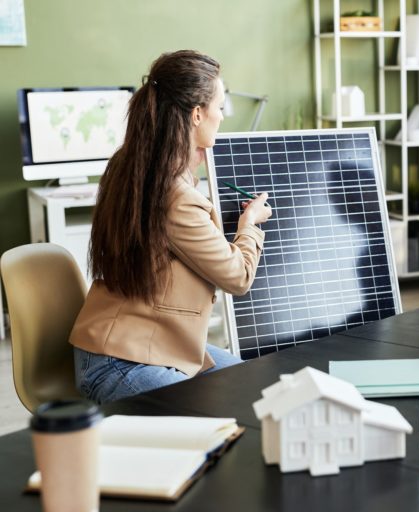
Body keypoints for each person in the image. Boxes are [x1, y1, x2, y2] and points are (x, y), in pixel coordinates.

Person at [70, 50, 272, 404]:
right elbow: (237, 277)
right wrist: (249, 225)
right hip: (122, 362)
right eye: (219, 107)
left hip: (146, 347)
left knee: (254, 390)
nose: (222, 117)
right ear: (197, 114)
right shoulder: (178, 198)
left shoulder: (133, 165)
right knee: (226, 415)